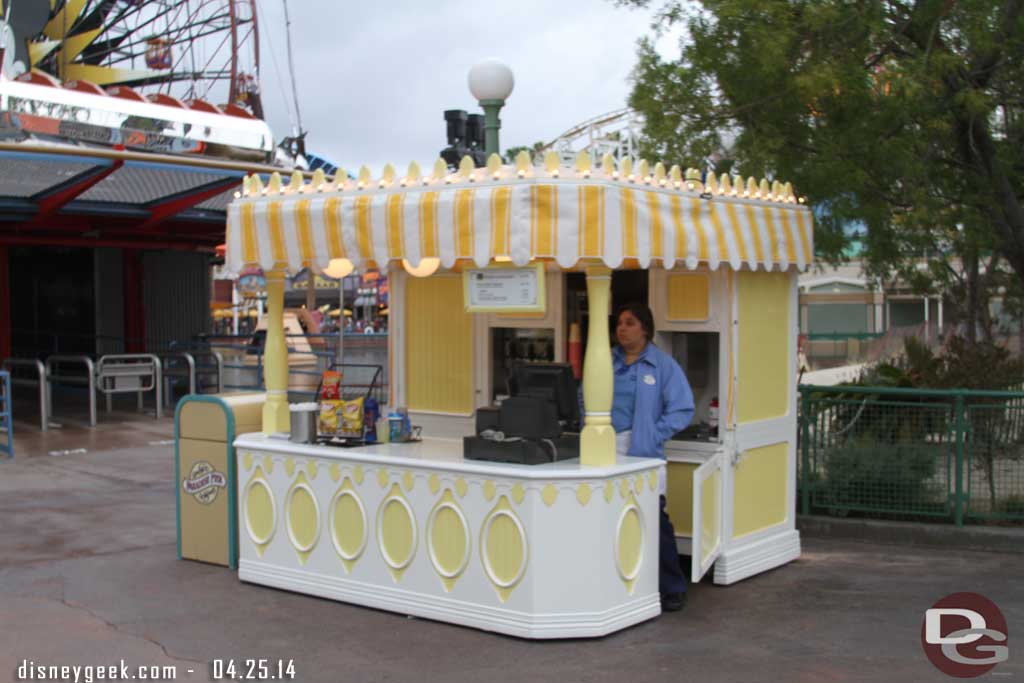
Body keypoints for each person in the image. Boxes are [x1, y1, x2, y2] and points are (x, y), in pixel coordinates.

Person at [609, 302, 695, 612]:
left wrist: (654, 434)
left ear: (645, 328)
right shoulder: (608, 361)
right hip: (607, 448)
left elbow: (683, 408)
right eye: (619, 323)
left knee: (654, 520)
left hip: (643, 451)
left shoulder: (663, 366)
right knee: (611, 518)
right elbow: (583, 396)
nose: (622, 328)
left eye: (630, 323)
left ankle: (672, 587)